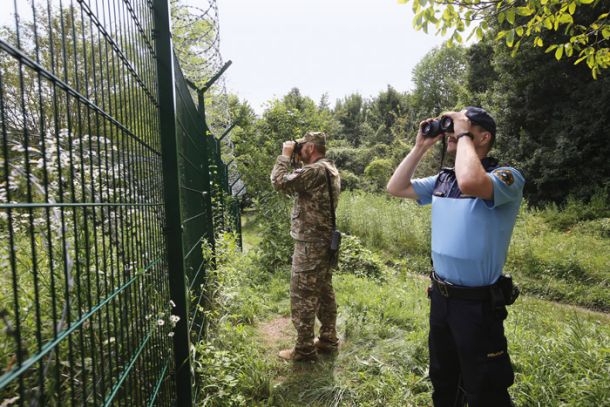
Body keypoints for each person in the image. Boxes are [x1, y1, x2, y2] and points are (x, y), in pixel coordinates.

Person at [387, 107, 524, 406]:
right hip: (441, 298)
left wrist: (460, 133)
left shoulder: (506, 177)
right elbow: (395, 187)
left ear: (484, 137)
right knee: (443, 377)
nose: (452, 131)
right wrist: (420, 147)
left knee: (485, 384)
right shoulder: (443, 180)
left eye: (464, 125)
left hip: (477, 305)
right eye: (452, 126)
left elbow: (471, 183)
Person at [270, 131, 341, 361]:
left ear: (311, 148)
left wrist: (285, 155)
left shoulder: (315, 170)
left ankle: (304, 350)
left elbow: (279, 181)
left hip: (311, 244)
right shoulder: (328, 168)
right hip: (323, 242)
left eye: (301, 147)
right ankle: (329, 340)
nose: (298, 151)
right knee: (323, 291)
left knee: (302, 295)